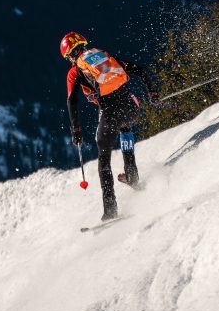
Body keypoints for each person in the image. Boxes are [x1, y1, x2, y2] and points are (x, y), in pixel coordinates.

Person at [60, 31, 158, 221]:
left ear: (70, 55)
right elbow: (139, 69)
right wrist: (152, 92)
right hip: (132, 106)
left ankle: (110, 210)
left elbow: (71, 101)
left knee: (103, 158)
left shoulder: (74, 71)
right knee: (125, 127)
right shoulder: (103, 56)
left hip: (111, 111)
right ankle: (132, 175)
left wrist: (76, 130)